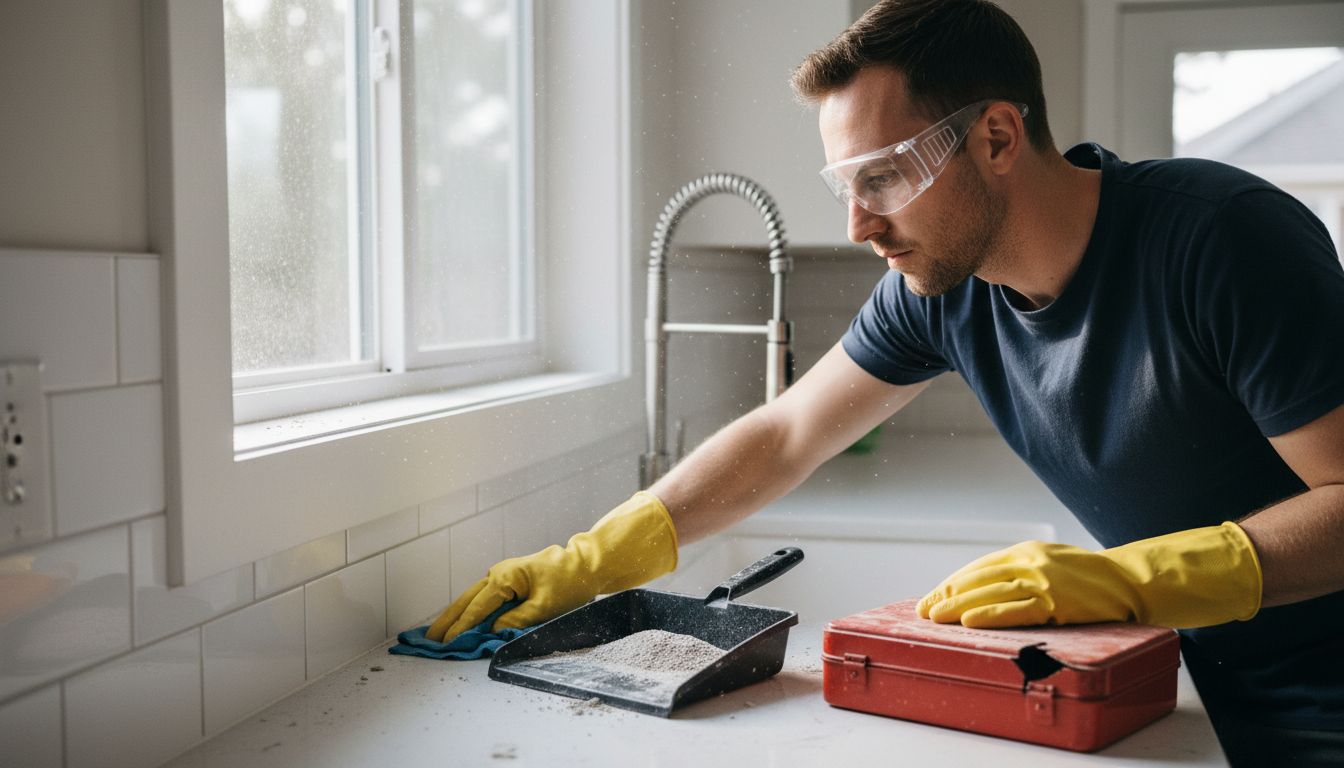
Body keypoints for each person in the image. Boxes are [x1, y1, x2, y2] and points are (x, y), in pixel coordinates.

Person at [427, 1, 1344, 763]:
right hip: (1191, 678)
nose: (859, 223)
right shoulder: (941, 292)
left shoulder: (1222, 239)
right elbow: (787, 435)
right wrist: (596, 556)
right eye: (845, 185)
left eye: (885, 177)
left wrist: (1133, 577)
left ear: (996, 136)